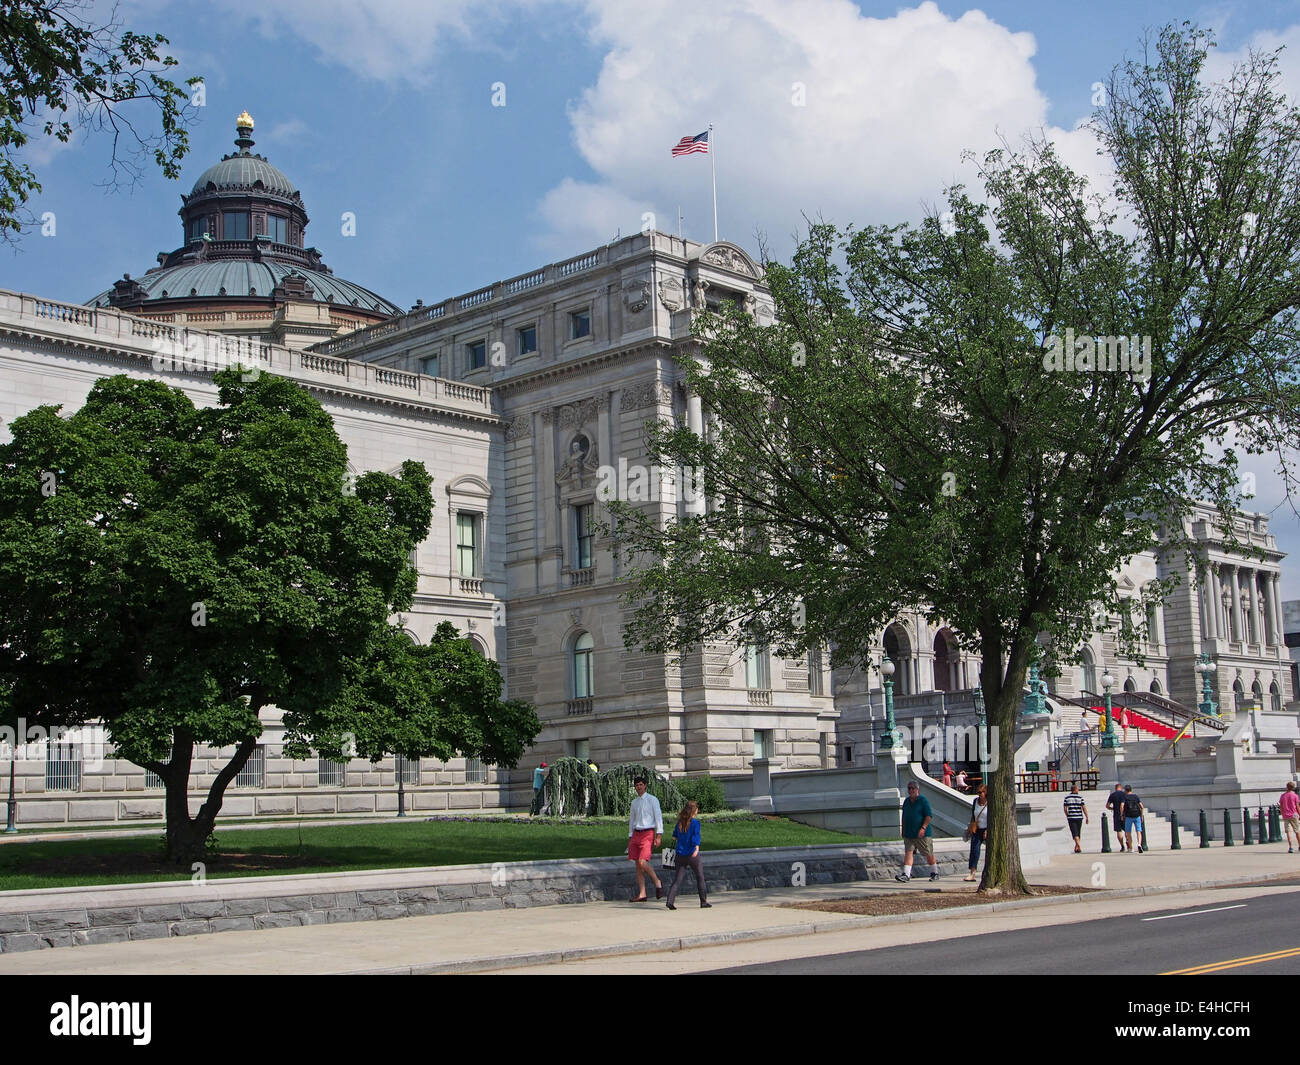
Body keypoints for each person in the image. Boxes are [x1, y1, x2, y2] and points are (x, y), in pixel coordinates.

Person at [666, 799, 711, 910]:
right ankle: (703, 901)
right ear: (694, 811)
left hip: (680, 854)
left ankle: (670, 900)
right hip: (692, 854)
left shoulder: (680, 823)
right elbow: (695, 837)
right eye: (696, 809)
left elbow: (675, 836)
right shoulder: (695, 823)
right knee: (700, 877)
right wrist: (696, 848)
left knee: (677, 879)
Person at [895, 780, 940, 882]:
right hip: (909, 833)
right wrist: (903, 828)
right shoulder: (906, 801)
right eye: (909, 788)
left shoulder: (923, 800)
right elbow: (904, 816)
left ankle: (935, 872)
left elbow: (929, 816)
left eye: (912, 788)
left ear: (917, 789)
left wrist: (923, 828)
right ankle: (906, 874)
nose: (910, 790)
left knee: (928, 853)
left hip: (922, 834)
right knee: (908, 852)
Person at [627, 775, 663, 901]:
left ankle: (657, 882)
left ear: (645, 785)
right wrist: (630, 837)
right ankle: (642, 893)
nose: (639, 787)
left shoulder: (653, 800)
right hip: (636, 833)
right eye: (637, 785)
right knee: (638, 865)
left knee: (643, 862)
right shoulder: (634, 802)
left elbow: (658, 817)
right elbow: (632, 820)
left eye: (641, 785)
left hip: (648, 833)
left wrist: (659, 835)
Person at [964, 784, 989, 881]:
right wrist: (970, 827)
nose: (980, 795)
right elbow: (973, 815)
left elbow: (991, 817)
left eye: (982, 792)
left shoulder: (989, 802)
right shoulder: (975, 801)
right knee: (974, 850)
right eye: (978, 793)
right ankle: (972, 873)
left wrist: (987, 830)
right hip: (977, 829)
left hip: (987, 829)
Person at [1063, 783, 1089, 853]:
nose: (1078, 790)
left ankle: (1077, 846)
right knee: (1078, 832)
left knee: (1074, 832)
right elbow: (1084, 808)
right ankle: (1078, 846)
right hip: (1079, 816)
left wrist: (1067, 815)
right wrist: (1087, 817)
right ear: (1075, 790)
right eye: (1078, 789)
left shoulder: (1067, 798)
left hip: (1071, 817)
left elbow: (1065, 809)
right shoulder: (1080, 797)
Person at [1122, 784, 1145, 853]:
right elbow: (1142, 806)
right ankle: (1139, 844)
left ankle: (1131, 848)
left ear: (1125, 790)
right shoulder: (1136, 796)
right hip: (1137, 815)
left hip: (1129, 816)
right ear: (1131, 790)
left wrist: (1122, 814)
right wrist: (1141, 815)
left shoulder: (1125, 797)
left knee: (1128, 832)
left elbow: (1122, 806)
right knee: (1138, 831)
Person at [1106, 782, 1128, 851]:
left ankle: (1122, 846)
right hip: (1124, 814)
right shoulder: (1124, 794)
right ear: (1121, 788)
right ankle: (1128, 843)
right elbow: (1122, 805)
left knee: (1119, 831)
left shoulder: (1112, 795)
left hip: (1116, 814)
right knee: (1127, 830)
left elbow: (1107, 806)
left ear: (1115, 788)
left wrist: (1112, 808)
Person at [1281, 781, 1300, 853]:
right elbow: (1297, 806)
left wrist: (1283, 814)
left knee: (1288, 831)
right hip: (1294, 815)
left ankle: (1291, 847)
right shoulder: (1295, 796)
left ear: (1287, 787)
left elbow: (1281, 806)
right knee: (1297, 831)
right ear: (1293, 788)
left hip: (1286, 815)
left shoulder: (1283, 796)